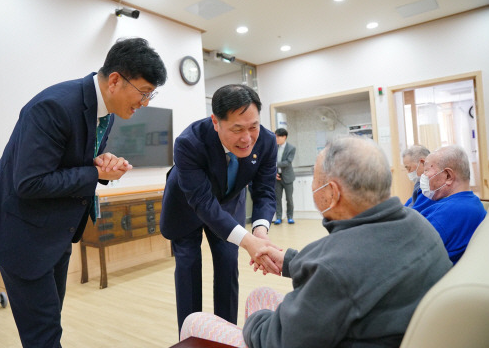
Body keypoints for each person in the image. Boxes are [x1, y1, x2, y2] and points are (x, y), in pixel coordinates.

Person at [0, 38, 167, 347]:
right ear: (115, 80)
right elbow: (30, 182)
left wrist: (102, 167)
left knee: (49, 323)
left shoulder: (108, 113)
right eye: (143, 93)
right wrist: (94, 172)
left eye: (151, 94)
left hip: (56, 233)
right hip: (21, 235)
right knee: (44, 335)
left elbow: (74, 164)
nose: (145, 103)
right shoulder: (54, 106)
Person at [181, 135, 452, 347]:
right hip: (377, 327)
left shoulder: (338, 269)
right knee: (259, 295)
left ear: (331, 192)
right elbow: (353, 266)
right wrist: (289, 260)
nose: (312, 187)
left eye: (315, 178)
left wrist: (254, 322)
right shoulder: (417, 224)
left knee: (195, 321)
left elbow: (278, 340)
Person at [160, 84, 280, 334]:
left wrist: (259, 232)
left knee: (227, 263)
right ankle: (190, 336)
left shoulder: (267, 141)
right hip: (186, 204)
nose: (247, 138)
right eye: (237, 129)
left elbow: (265, 191)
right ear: (216, 122)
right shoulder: (189, 142)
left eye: (253, 127)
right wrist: (247, 242)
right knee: (188, 266)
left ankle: (226, 335)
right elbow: (202, 203)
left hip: (228, 203)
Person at [417, 145, 486, 264]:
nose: (423, 177)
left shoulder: (449, 213)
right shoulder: (472, 202)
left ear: (448, 176)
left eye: (426, 170)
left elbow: (408, 254)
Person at [273, 128, 296, 225]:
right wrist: (274, 170)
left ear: (284, 137)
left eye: (278, 136)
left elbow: (288, 162)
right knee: (277, 199)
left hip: (287, 177)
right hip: (277, 177)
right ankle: (279, 217)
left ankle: (290, 217)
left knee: (289, 199)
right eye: (276, 136)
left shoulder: (291, 148)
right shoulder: (274, 147)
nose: (276, 138)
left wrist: (275, 164)